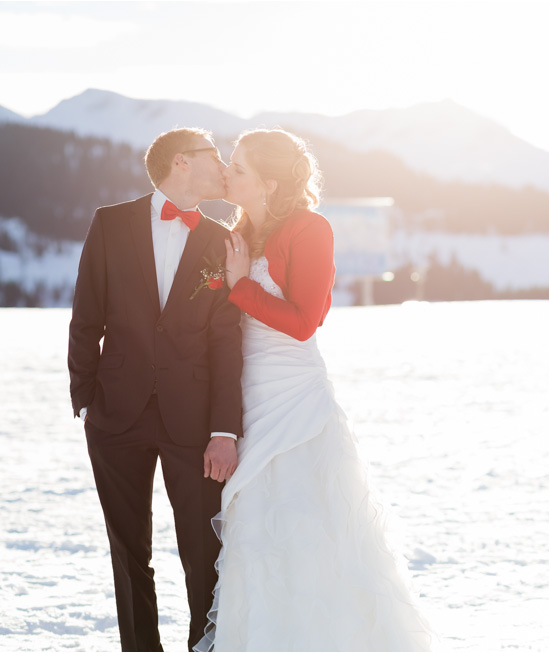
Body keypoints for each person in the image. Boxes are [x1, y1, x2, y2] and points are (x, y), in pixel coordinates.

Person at [196, 129, 432, 651]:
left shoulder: (310, 229)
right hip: (245, 400)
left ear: (269, 183)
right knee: (255, 533)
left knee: (307, 530)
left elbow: (306, 321)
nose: (226, 174)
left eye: (237, 168)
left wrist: (240, 286)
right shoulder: (237, 230)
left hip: (294, 398)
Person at [68, 128, 244, 650]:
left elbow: (225, 342)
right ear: (183, 163)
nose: (224, 167)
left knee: (202, 551)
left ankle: (203, 646)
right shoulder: (111, 223)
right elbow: (86, 315)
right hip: (114, 416)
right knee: (127, 551)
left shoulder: (222, 240)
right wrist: (86, 398)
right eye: (216, 158)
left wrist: (224, 429)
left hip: (194, 422)